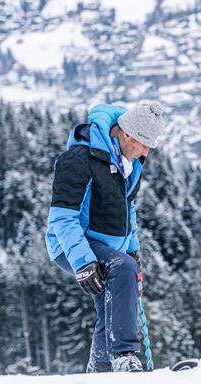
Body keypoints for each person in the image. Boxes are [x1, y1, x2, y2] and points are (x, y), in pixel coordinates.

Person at [44, 101, 166, 373]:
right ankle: (124, 356)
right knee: (121, 268)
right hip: (71, 244)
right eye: (144, 144)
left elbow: (128, 209)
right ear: (126, 134)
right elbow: (62, 219)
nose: (146, 152)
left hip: (109, 247)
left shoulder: (132, 164)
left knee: (110, 305)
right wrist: (84, 263)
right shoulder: (78, 159)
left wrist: (132, 251)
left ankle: (100, 370)